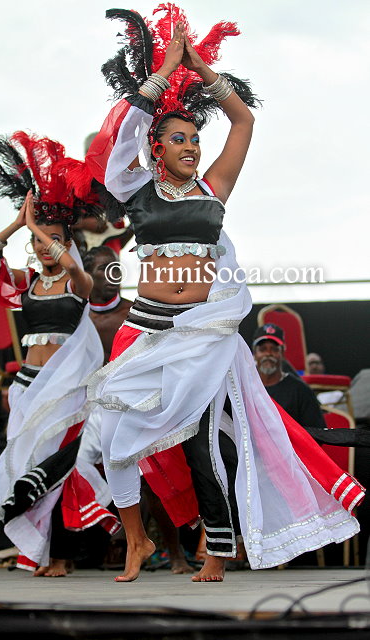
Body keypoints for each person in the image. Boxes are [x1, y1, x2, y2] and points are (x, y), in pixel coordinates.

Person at [73, 6, 364, 583]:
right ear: (157, 148)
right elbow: (122, 138)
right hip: (147, 330)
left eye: (194, 139)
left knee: (203, 444)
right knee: (116, 438)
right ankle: (136, 539)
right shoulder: (135, 189)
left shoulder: (214, 187)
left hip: (202, 333)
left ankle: (217, 549)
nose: (191, 147)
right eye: (178, 139)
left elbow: (243, 121)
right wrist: (165, 71)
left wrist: (200, 67)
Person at [0, 132, 120, 577]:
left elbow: (72, 265)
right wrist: (17, 225)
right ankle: (36, 552)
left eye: (51, 240)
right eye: (37, 241)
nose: (41, 247)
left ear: (67, 242)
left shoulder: (78, 282)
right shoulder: (30, 284)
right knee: (28, 465)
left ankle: (62, 556)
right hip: (26, 386)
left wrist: (39, 228)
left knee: (60, 468)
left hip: (65, 389)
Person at [81, 245, 195, 573]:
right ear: (87, 274)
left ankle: (174, 553)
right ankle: (106, 543)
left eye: (116, 267)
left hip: (133, 403)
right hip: (87, 408)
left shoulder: (133, 313)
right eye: (103, 268)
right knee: (71, 469)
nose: (112, 274)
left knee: (151, 478)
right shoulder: (78, 317)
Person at [253, 324, 326, 430]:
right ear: (254, 354)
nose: (268, 354)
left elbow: (317, 433)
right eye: (263, 349)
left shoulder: (301, 391)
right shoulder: (245, 388)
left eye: (274, 349)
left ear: (282, 353)